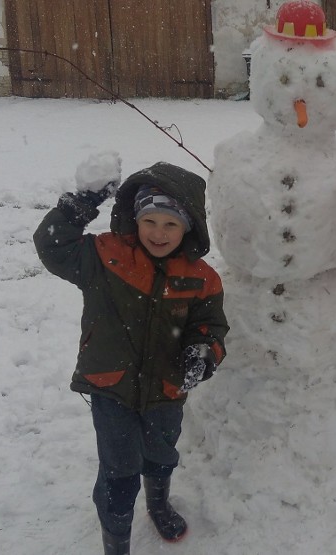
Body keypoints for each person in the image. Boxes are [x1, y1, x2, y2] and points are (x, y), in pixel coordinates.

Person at [33, 155, 228, 554]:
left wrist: (203, 352)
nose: (158, 233)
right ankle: (116, 540)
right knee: (119, 469)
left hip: (168, 387)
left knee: (161, 452)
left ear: (188, 226)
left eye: (171, 223)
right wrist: (80, 206)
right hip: (112, 386)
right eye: (149, 221)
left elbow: (210, 325)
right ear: (135, 219)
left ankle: (158, 501)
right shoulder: (104, 256)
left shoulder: (201, 276)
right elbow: (52, 245)